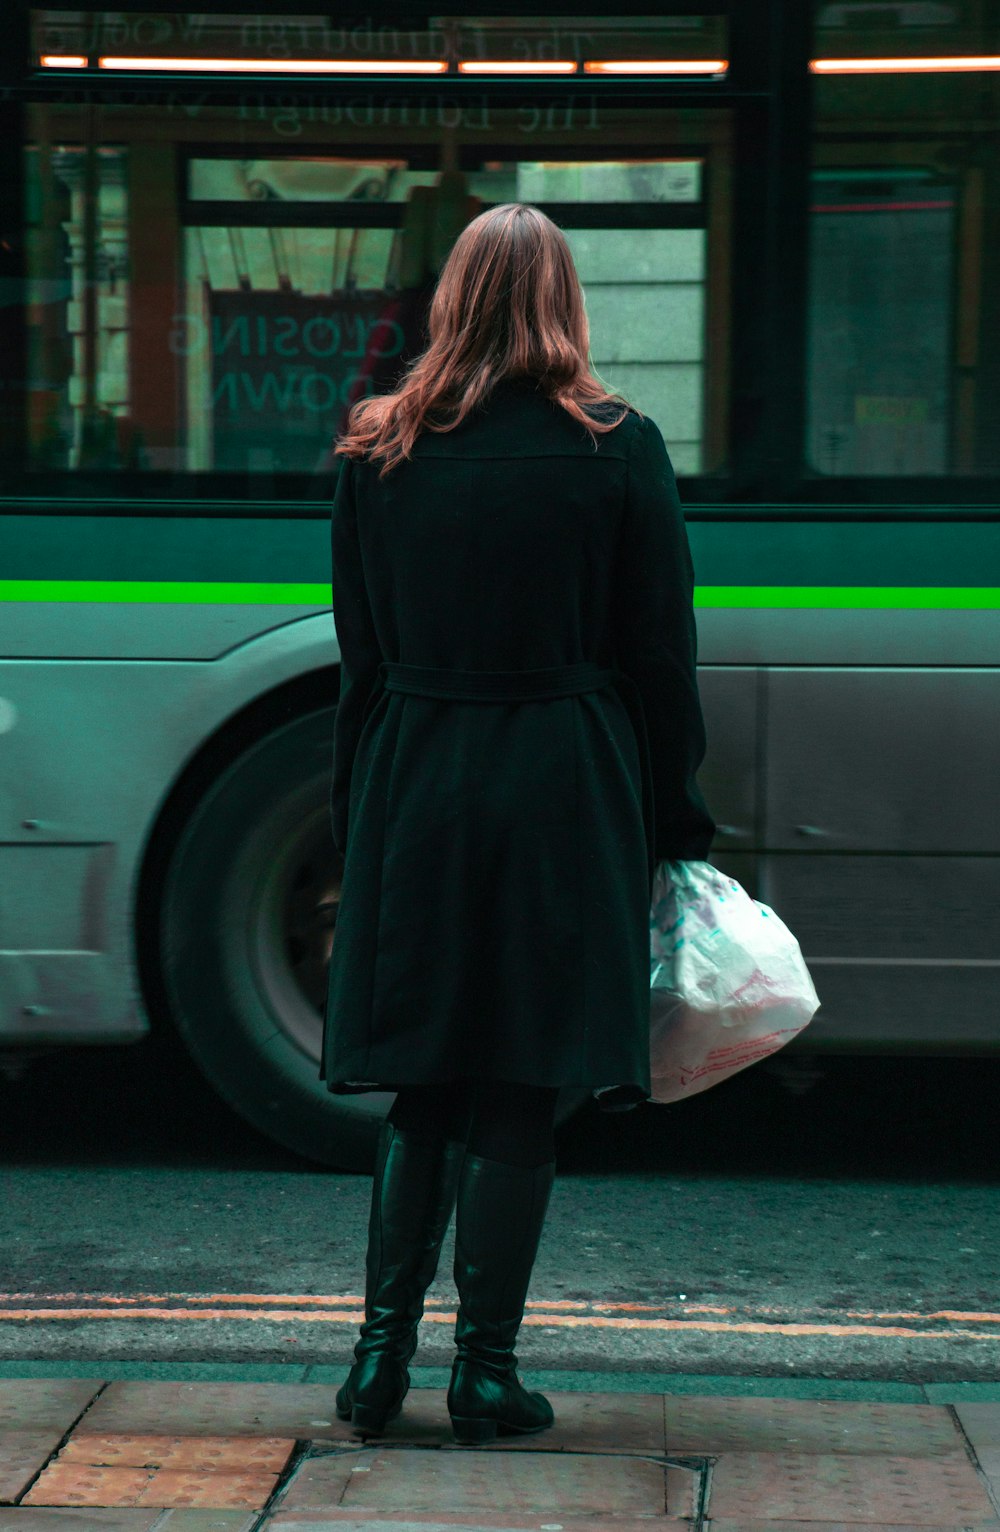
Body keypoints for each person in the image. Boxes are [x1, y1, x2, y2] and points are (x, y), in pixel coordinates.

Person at [322, 202, 715, 1445]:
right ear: (562, 298)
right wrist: (675, 815)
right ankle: (483, 1373)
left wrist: (359, 817)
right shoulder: (616, 445)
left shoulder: (377, 449)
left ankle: (375, 1362)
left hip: (417, 769)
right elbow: (658, 653)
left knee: (428, 1068)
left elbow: (360, 659)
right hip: (562, 774)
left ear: (451, 296)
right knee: (519, 1070)